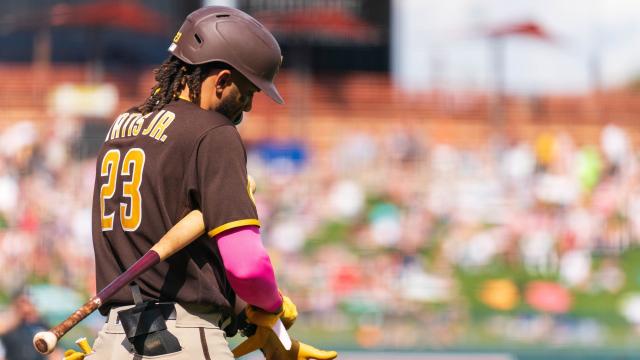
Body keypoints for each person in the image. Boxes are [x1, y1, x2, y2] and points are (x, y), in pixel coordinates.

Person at [88, 6, 336, 360]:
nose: (247, 107)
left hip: (115, 340)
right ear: (221, 80)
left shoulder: (121, 128)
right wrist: (273, 306)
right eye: (247, 90)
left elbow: (173, 262)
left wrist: (254, 325)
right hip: (183, 340)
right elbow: (247, 266)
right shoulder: (213, 134)